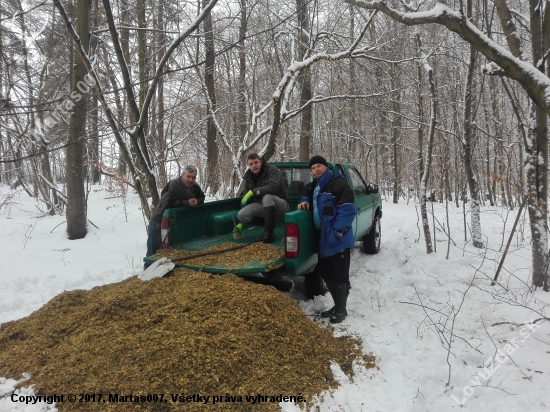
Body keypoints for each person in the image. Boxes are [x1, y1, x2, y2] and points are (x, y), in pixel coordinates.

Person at [297, 155, 356, 323]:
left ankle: (342, 310)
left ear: (325, 167)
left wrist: (338, 232)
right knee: (327, 273)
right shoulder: (313, 186)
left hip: (338, 238)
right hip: (323, 238)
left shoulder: (338, 184)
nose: (316, 169)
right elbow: (306, 196)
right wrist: (303, 201)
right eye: (313, 167)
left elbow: (347, 210)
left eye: (319, 166)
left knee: (340, 274)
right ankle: (336, 307)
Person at [146, 166, 205, 260]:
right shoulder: (174, 184)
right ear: (182, 175)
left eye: (193, 177)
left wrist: (196, 201)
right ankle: (147, 271)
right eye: (188, 176)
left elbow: (202, 197)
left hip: (175, 223)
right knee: (153, 253)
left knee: (170, 252)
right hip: (159, 222)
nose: (190, 180)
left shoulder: (195, 187)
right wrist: (186, 203)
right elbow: (167, 203)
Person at [234, 153, 289, 243]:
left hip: (280, 206)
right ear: (249, 166)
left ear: (261, 162)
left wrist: (254, 192)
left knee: (267, 197)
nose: (254, 166)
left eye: (256, 162)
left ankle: (269, 234)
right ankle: (269, 223)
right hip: (265, 209)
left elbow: (273, 187)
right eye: (251, 164)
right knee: (242, 215)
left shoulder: (272, 170)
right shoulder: (249, 178)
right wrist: (241, 223)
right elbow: (246, 200)